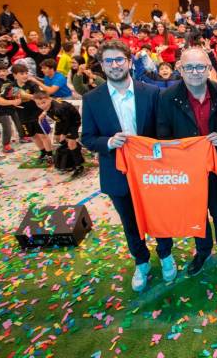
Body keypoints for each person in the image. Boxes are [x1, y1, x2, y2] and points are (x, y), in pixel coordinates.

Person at [81, 40, 175, 291]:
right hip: (117, 172)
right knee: (130, 221)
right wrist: (109, 142)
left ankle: (166, 255)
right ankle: (141, 261)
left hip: (151, 171)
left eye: (119, 60)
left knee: (158, 216)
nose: (115, 65)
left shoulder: (151, 92)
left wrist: (159, 147)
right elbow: (87, 138)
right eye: (109, 61)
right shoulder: (92, 99)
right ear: (102, 66)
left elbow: (162, 129)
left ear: (129, 62)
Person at [157, 47, 217, 275]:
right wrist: (184, 148)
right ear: (180, 69)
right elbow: (163, 135)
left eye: (200, 66)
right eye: (188, 67)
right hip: (187, 170)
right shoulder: (167, 97)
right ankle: (202, 250)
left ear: (209, 69)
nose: (195, 72)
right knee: (196, 211)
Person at [34, 91, 85, 177]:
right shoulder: (49, 105)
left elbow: (68, 122)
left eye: (43, 103)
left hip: (72, 121)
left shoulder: (58, 109)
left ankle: (79, 165)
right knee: (57, 138)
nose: (41, 106)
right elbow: (48, 110)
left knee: (71, 143)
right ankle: (71, 154)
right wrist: (43, 113)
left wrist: (64, 134)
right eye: (38, 104)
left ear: (49, 99)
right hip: (60, 120)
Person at [12, 64, 53, 162]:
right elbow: (8, 99)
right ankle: (43, 152)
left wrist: (25, 95)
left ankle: (49, 154)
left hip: (37, 114)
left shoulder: (32, 85)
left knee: (43, 135)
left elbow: (39, 97)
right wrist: (13, 102)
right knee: (33, 135)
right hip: (23, 115)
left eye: (26, 73)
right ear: (15, 75)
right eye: (22, 73)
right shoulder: (12, 86)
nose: (25, 75)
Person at [0, 63, 24, 153]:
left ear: (7, 71)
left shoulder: (10, 81)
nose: (2, 73)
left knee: (18, 121)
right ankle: (6, 145)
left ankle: (22, 137)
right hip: (1, 108)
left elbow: (15, 91)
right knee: (7, 127)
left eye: (4, 71)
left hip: (12, 106)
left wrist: (17, 98)